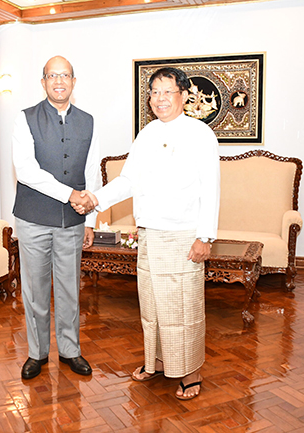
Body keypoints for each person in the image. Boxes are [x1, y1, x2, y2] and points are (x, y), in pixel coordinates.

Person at [74, 67, 220, 400]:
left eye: (168, 91)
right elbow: (128, 181)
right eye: (154, 92)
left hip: (184, 236)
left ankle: (191, 372)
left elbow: (211, 188)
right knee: (152, 307)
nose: (160, 98)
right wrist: (96, 200)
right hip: (149, 235)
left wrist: (205, 237)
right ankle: (155, 363)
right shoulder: (147, 134)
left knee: (184, 309)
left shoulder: (200, 134)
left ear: (184, 95)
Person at [12, 55, 100, 380]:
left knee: (68, 290)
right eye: (52, 75)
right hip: (33, 219)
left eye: (65, 75)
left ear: (74, 82)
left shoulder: (89, 121)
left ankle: (70, 350)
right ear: (43, 82)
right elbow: (25, 171)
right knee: (35, 291)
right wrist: (69, 194)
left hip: (74, 221)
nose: (59, 81)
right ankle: (37, 353)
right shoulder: (25, 119)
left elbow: (92, 173)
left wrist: (90, 220)